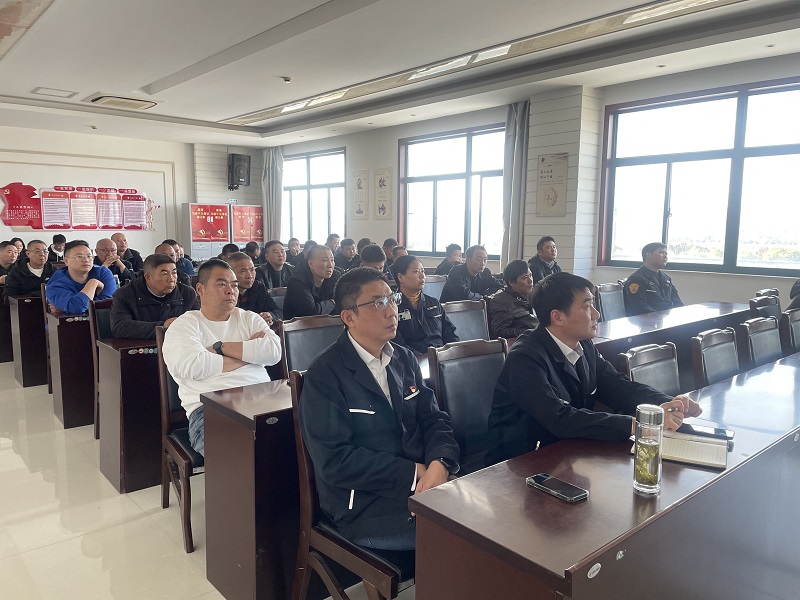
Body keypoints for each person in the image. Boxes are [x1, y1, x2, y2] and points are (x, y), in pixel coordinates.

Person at [299, 267, 459, 550]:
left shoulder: (404, 358)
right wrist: (414, 472)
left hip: (423, 483)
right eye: (378, 303)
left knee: (487, 516)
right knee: (463, 540)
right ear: (349, 317)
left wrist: (439, 463)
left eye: (392, 299)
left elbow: (434, 419)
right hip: (366, 504)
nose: (391, 311)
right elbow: (335, 461)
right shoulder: (325, 374)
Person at [485, 272, 702, 466]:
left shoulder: (584, 344)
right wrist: (638, 425)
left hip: (569, 453)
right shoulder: (525, 357)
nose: (597, 314)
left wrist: (666, 404)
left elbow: (617, 386)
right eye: (587, 306)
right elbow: (558, 418)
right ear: (557, 317)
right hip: (518, 464)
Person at [162, 259, 282, 456]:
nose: (230, 291)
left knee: (304, 440)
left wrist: (220, 348)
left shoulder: (249, 318)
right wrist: (250, 354)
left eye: (234, 285)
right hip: (209, 410)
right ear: (200, 289)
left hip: (263, 400)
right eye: (221, 284)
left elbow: (274, 352)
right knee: (244, 455)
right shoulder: (184, 325)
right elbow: (193, 366)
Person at [110, 253, 198, 339]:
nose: (171, 279)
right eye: (164, 274)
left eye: (174, 273)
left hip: (179, 344)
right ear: (148, 277)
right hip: (142, 346)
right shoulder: (125, 294)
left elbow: (198, 322)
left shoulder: (187, 293)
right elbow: (119, 327)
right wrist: (162, 326)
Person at [392, 255, 458, 354]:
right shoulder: (392, 307)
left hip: (442, 357)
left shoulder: (433, 303)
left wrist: (452, 354)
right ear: (400, 277)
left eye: (423, 271)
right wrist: (421, 358)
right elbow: (397, 345)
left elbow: (450, 333)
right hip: (413, 360)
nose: (422, 276)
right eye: (416, 271)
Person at [45, 239, 115, 315]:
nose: (86, 260)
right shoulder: (56, 283)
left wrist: (68, 308)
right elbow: (77, 308)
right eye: (79, 256)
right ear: (66, 261)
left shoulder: (102, 273)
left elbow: (108, 305)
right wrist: (93, 283)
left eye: (89, 256)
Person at [624, 242, 684, 316]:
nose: (665, 256)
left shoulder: (666, 278)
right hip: (647, 320)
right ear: (648, 255)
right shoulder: (636, 279)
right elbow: (640, 308)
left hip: (665, 318)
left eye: (666, 254)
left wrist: (683, 313)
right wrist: (662, 317)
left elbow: (677, 302)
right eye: (661, 252)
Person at [284, 245, 341, 319]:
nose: (330, 265)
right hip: (299, 324)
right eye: (325, 260)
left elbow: (343, 303)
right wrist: (333, 302)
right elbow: (311, 312)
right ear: (311, 263)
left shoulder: (335, 276)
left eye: (332, 260)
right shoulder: (297, 281)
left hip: (327, 323)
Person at [227, 252, 281, 324]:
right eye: (243, 271)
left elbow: (278, 311)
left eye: (252, 270)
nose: (249, 276)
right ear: (230, 273)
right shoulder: (225, 293)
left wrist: (270, 315)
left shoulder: (259, 288)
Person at [488, 260, 538, 339]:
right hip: (523, 341)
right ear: (511, 282)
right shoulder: (500, 301)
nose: (530, 280)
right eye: (525, 277)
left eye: (530, 275)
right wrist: (530, 332)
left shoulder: (533, 295)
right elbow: (499, 331)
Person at [3, 240, 54, 304]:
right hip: (25, 307)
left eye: (45, 251)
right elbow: (8, 297)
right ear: (28, 254)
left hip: (51, 308)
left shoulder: (53, 271)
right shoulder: (17, 272)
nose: (42, 254)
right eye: (37, 251)